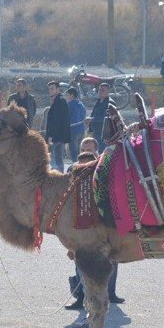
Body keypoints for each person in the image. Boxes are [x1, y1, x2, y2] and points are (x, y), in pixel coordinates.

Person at [65, 138, 124, 310]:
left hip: (103, 223)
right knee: (80, 260)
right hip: (80, 225)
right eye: (83, 148)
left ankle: (111, 293)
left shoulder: (104, 167)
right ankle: (80, 296)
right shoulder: (73, 169)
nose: (85, 152)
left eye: (89, 149)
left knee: (111, 258)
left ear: (96, 150)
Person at [45, 80, 71, 172]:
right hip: (60, 135)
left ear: (58, 90)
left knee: (54, 160)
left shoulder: (59, 101)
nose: (50, 91)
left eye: (52, 89)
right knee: (58, 158)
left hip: (56, 136)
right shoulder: (60, 100)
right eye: (49, 89)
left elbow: (56, 120)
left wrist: (51, 136)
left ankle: (56, 177)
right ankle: (60, 176)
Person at [85, 83, 116, 153]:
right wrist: (89, 120)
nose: (100, 92)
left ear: (108, 91)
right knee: (97, 151)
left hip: (105, 134)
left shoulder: (110, 103)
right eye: (99, 90)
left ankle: (105, 164)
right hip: (96, 131)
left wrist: (92, 119)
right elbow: (93, 113)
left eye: (102, 90)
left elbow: (106, 117)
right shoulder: (98, 101)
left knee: (105, 152)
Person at [65, 87, 87, 163]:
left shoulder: (69, 105)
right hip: (81, 130)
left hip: (73, 131)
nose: (66, 97)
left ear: (72, 95)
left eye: (67, 95)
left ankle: (75, 165)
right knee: (80, 150)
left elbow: (66, 118)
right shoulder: (81, 104)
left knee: (73, 151)